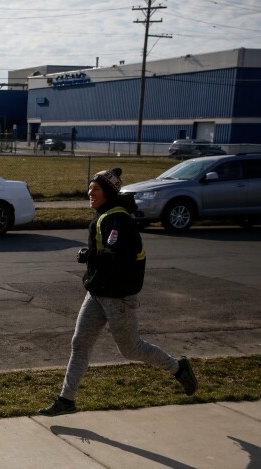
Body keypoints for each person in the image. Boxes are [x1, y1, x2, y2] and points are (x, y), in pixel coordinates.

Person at [40, 168, 197, 416]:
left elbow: (118, 256)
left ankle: (178, 368)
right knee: (80, 344)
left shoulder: (118, 220)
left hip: (118, 297)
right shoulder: (105, 215)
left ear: (110, 193)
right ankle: (66, 400)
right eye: (90, 187)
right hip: (97, 293)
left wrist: (89, 255)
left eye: (97, 188)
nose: (90, 192)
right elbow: (107, 255)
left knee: (130, 349)